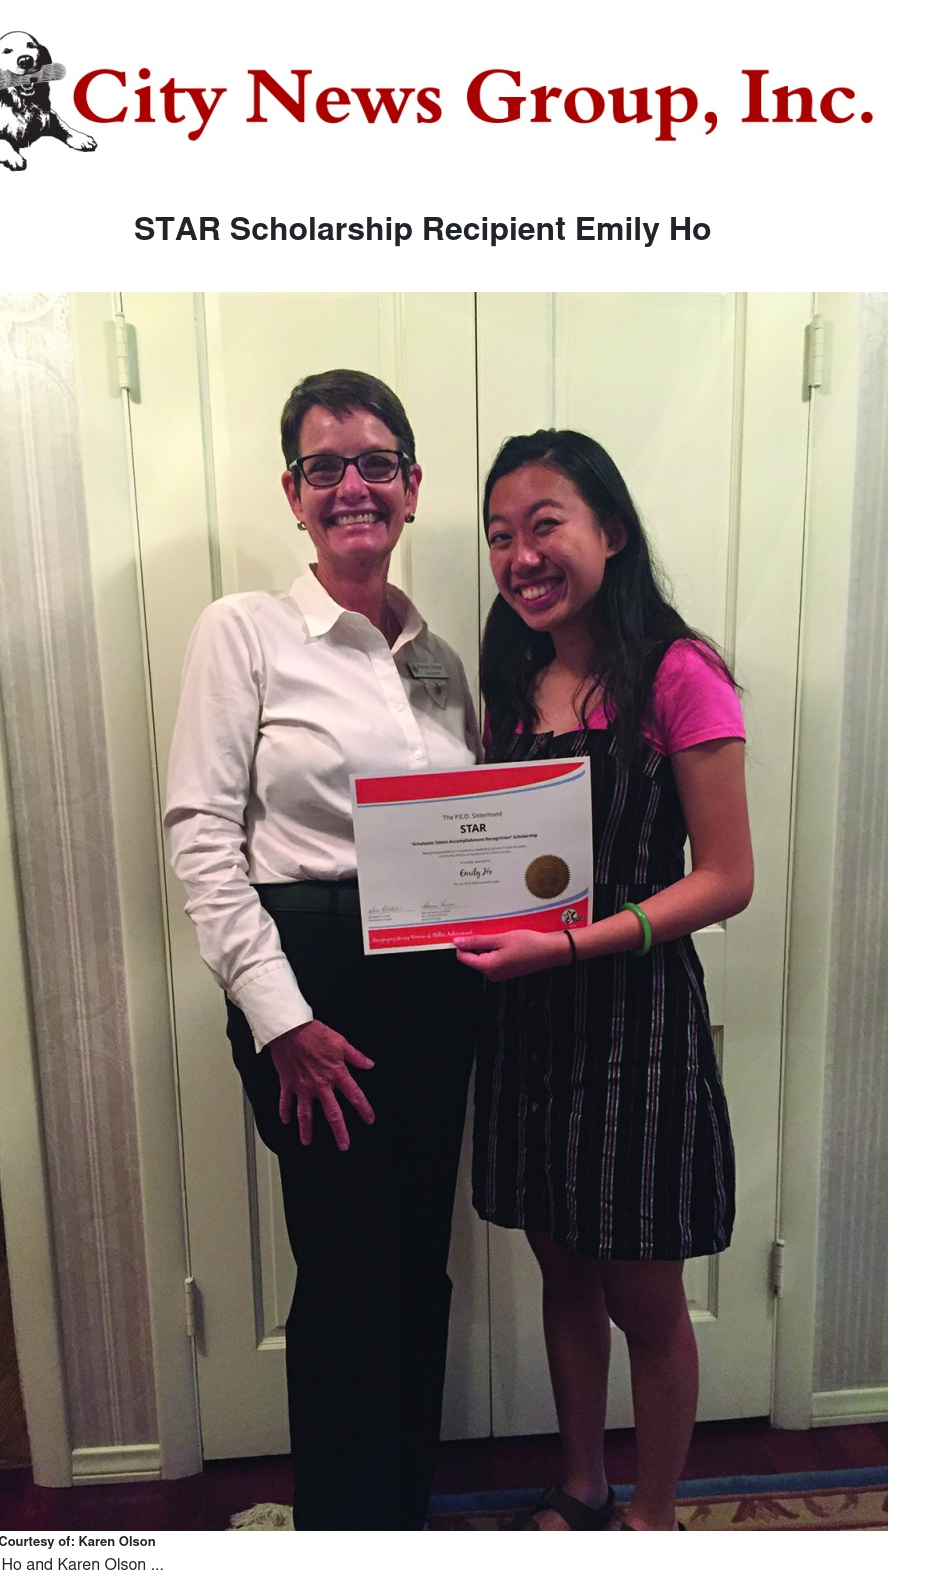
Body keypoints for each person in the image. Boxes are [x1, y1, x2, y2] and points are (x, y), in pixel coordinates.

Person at [164, 370, 481, 1531]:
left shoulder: (439, 658)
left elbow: (471, 833)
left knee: (418, 1261)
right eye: (325, 466)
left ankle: (402, 1511)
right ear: (294, 493)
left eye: (377, 462)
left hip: (437, 987)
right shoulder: (243, 630)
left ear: (411, 485)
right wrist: (281, 1019)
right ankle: (346, 1528)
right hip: (312, 987)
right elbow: (200, 834)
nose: (354, 484)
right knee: (348, 1270)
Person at [454, 429, 754, 1533]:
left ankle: (654, 1519)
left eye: (546, 525)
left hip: (636, 1021)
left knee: (643, 1293)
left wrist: (573, 944)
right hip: (527, 1021)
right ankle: (581, 1483)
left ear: (611, 532)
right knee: (564, 1269)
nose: (521, 555)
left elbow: (727, 877)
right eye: (500, 535)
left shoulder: (680, 672)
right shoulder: (510, 679)